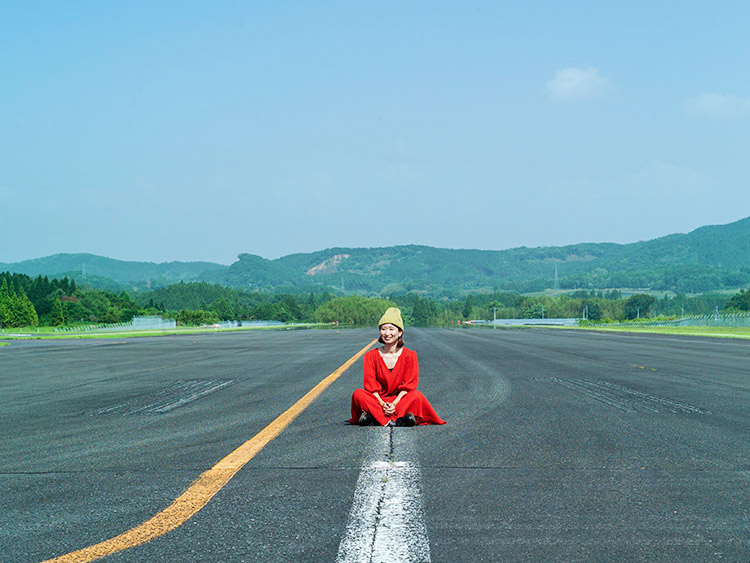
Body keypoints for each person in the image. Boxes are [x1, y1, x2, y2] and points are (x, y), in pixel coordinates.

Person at [349, 307, 445, 427]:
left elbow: (408, 386)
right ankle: (398, 419)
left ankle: (376, 418)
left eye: (391, 329)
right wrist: (383, 404)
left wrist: (394, 404)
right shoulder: (370, 355)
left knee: (416, 396)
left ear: (400, 332)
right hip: (377, 401)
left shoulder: (410, 355)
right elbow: (370, 386)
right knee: (358, 394)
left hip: (400, 400)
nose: (387, 333)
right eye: (383, 329)